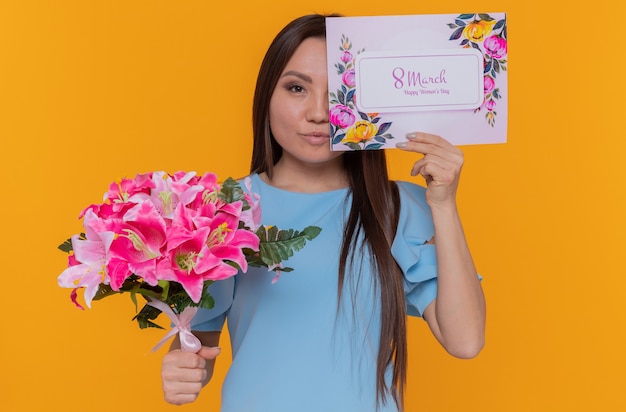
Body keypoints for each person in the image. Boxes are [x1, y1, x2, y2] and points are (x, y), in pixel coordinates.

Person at [160, 13, 485, 412]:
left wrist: (444, 205)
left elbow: (465, 340)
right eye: (297, 88)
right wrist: (182, 370)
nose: (318, 112)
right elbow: (198, 349)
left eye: (338, 93)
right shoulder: (223, 213)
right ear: (267, 95)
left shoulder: (397, 207)